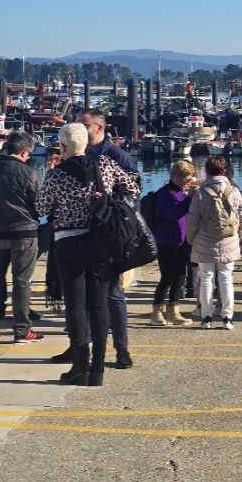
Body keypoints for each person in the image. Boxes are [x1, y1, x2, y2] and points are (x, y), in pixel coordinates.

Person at [37, 123, 140, 386]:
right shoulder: (105, 164)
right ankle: (97, 370)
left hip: (69, 243)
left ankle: (80, 365)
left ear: (62, 146)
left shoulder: (57, 175)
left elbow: (41, 207)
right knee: (98, 303)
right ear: (86, 143)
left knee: (75, 305)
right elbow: (132, 188)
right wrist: (108, 200)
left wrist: (49, 172)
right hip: (100, 241)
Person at [77, 109, 137, 369]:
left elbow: (132, 195)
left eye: (84, 125)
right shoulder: (79, 154)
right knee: (84, 293)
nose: (79, 129)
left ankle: (121, 348)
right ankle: (82, 345)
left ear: (99, 128)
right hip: (84, 232)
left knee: (113, 293)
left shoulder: (118, 156)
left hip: (110, 233)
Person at [0, 131, 42, 343]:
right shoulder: (30, 173)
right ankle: (22, 330)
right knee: (22, 281)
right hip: (24, 233)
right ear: (24, 152)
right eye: (28, 154)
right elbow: (40, 206)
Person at [186, 156, 242, 329]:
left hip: (204, 240)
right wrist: (239, 234)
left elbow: (192, 220)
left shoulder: (200, 192)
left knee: (206, 278)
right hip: (228, 238)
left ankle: (206, 317)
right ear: (224, 170)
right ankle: (227, 317)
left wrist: (191, 239)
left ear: (207, 171)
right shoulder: (233, 191)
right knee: (226, 278)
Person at [150, 159, 197, 326]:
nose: (188, 181)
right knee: (167, 276)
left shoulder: (180, 192)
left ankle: (174, 310)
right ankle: (156, 311)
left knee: (180, 276)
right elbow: (173, 214)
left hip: (182, 241)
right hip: (166, 241)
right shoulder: (164, 194)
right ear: (176, 177)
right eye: (186, 178)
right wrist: (189, 199)